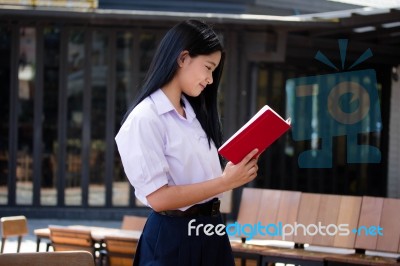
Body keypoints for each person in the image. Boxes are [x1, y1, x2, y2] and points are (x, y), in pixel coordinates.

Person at [115, 19, 259, 266]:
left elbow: (204, 181)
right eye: (208, 67)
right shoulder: (145, 118)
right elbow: (159, 198)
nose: (210, 79)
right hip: (174, 236)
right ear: (183, 59)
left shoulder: (195, 116)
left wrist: (232, 175)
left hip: (212, 231)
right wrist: (225, 181)